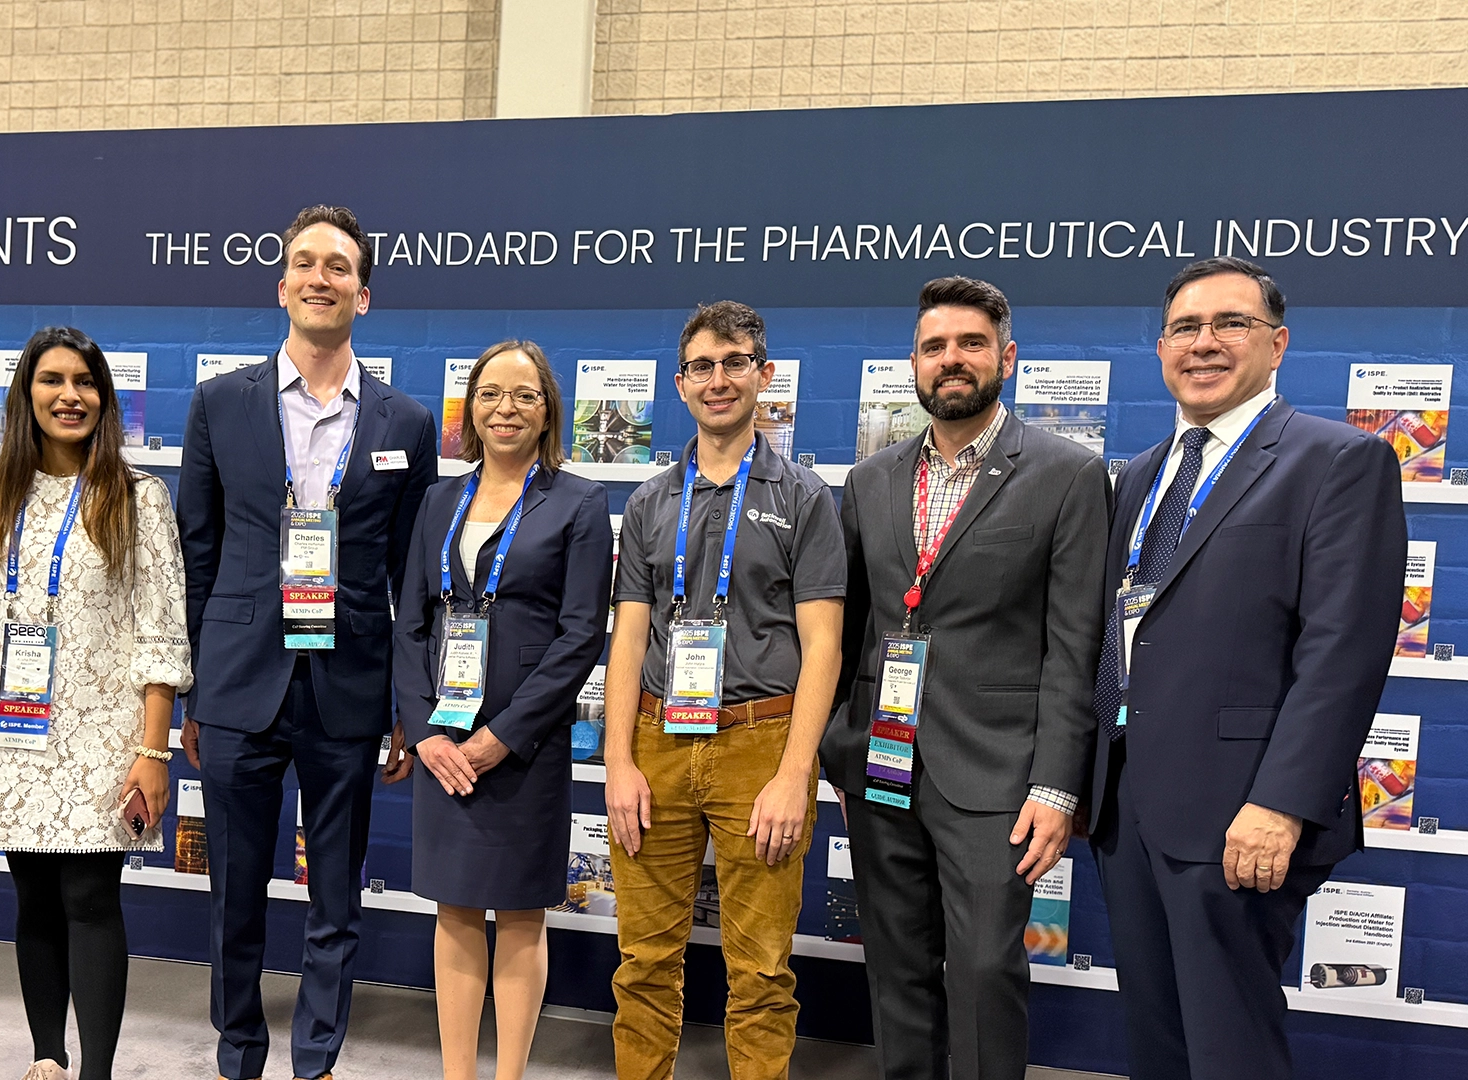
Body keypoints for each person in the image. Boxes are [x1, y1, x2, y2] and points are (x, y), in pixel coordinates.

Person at [1086, 257, 1404, 1080]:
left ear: (1278, 344)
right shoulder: (1141, 475)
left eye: (1232, 324)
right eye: (1185, 328)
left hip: (1240, 815)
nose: (1205, 343)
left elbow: (1343, 652)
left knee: (1231, 1047)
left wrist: (1280, 805)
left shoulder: (1337, 461)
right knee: (1157, 1039)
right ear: (1160, 349)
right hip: (1128, 807)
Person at [822, 277, 1109, 1080]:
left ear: (1007, 359)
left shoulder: (1067, 474)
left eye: (970, 344)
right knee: (898, 971)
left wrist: (1056, 788)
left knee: (984, 971)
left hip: (997, 775)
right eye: (934, 346)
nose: (951, 360)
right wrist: (842, 752)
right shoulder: (871, 479)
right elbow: (852, 632)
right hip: (882, 766)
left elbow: (1076, 644)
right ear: (913, 365)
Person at [176, 204, 438, 1080]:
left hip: (350, 691)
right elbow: (198, 553)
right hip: (241, 683)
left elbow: (411, 578)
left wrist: (410, 705)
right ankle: (238, 1048)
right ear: (282, 284)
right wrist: (194, 691)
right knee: (234, 894)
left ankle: (316, 1055)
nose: (320, 277)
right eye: (304, 263)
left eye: (339, 267)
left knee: (336, 897)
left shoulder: (406, 422)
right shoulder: (220, 404)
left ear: (363, 295)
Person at [0, 327, 191, 1080]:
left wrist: (151, 750)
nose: (68, 396)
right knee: (34, 894)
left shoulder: (137, 494)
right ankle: (47, 1056)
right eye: (51, 380)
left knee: (87, 892)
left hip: (102, 732)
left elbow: (160, 631)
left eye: (84, 382)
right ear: (26, 393)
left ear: (104, 399)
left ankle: (98, 1072)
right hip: (4, 728)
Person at [602, 300, 845, 1080]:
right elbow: (629, 639)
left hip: (761, 748)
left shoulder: (806, 497)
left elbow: (824, 646)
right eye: (703, 366)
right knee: (642, 961)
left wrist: (793, 774)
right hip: (655, 741)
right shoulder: (648, 501)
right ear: (680, 384)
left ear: (764, 376)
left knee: (763, 971)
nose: (719, 380)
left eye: (736, 362)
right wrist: (618, 763)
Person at [393, 341, 612, 1080]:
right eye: (489, 394)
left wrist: (502, 738)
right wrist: (424, 731)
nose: (505, 408)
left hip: (523, 748)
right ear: (470, 409)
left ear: (547, 407)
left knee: (519, 915)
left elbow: (581, 635)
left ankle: (509, 1074)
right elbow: (412, 622)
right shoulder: (437, 499)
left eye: (523, 395)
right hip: (441, 742)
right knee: (454, 911)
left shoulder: (580, 502)